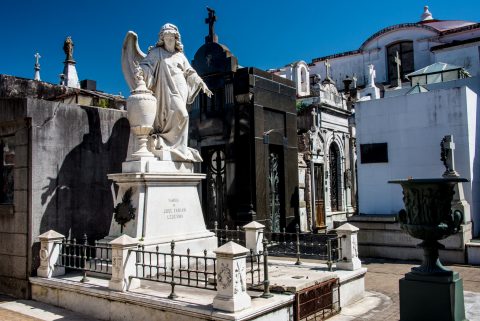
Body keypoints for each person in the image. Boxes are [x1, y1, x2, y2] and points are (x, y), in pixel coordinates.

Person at [132, 23, 212, 161]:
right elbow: (146, 66)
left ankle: (178, 146)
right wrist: (141, 71)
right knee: (183, 115)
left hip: (181, 88)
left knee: (182, 115)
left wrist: (201, 83)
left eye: (171, 37)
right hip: (166, 89)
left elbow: (190, 72)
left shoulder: (180, 56)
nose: (169, 39)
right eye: (166, 37)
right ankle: (169, 143)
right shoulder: (156, 52)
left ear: (176, 39)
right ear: (162, 38)